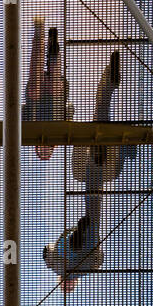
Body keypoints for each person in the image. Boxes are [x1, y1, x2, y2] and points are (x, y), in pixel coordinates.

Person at [43, 50, 134, 293]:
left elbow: (52, 251)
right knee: (99, 118)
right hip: (98, 174)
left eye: (66, 285)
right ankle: (78, 123)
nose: (68, 284)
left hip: (94, 175)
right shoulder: (70, 264)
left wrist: (68, 249)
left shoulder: (60, 263)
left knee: (100, 116)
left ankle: (80, 114)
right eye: (69, 285)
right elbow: (95, 256)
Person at [22, 16, 74, 161]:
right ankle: (53, 47)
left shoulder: (29, 135)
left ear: (36, 149)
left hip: (36, 101)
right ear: (52, 151)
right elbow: (70, 109)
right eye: (47, 153)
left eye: (41, 153)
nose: (44, 150)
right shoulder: (60, 136)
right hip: (56, 99)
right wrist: (67, 119)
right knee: (55, 87)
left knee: (34, 86)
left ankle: (39, 34)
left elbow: (22, 110)